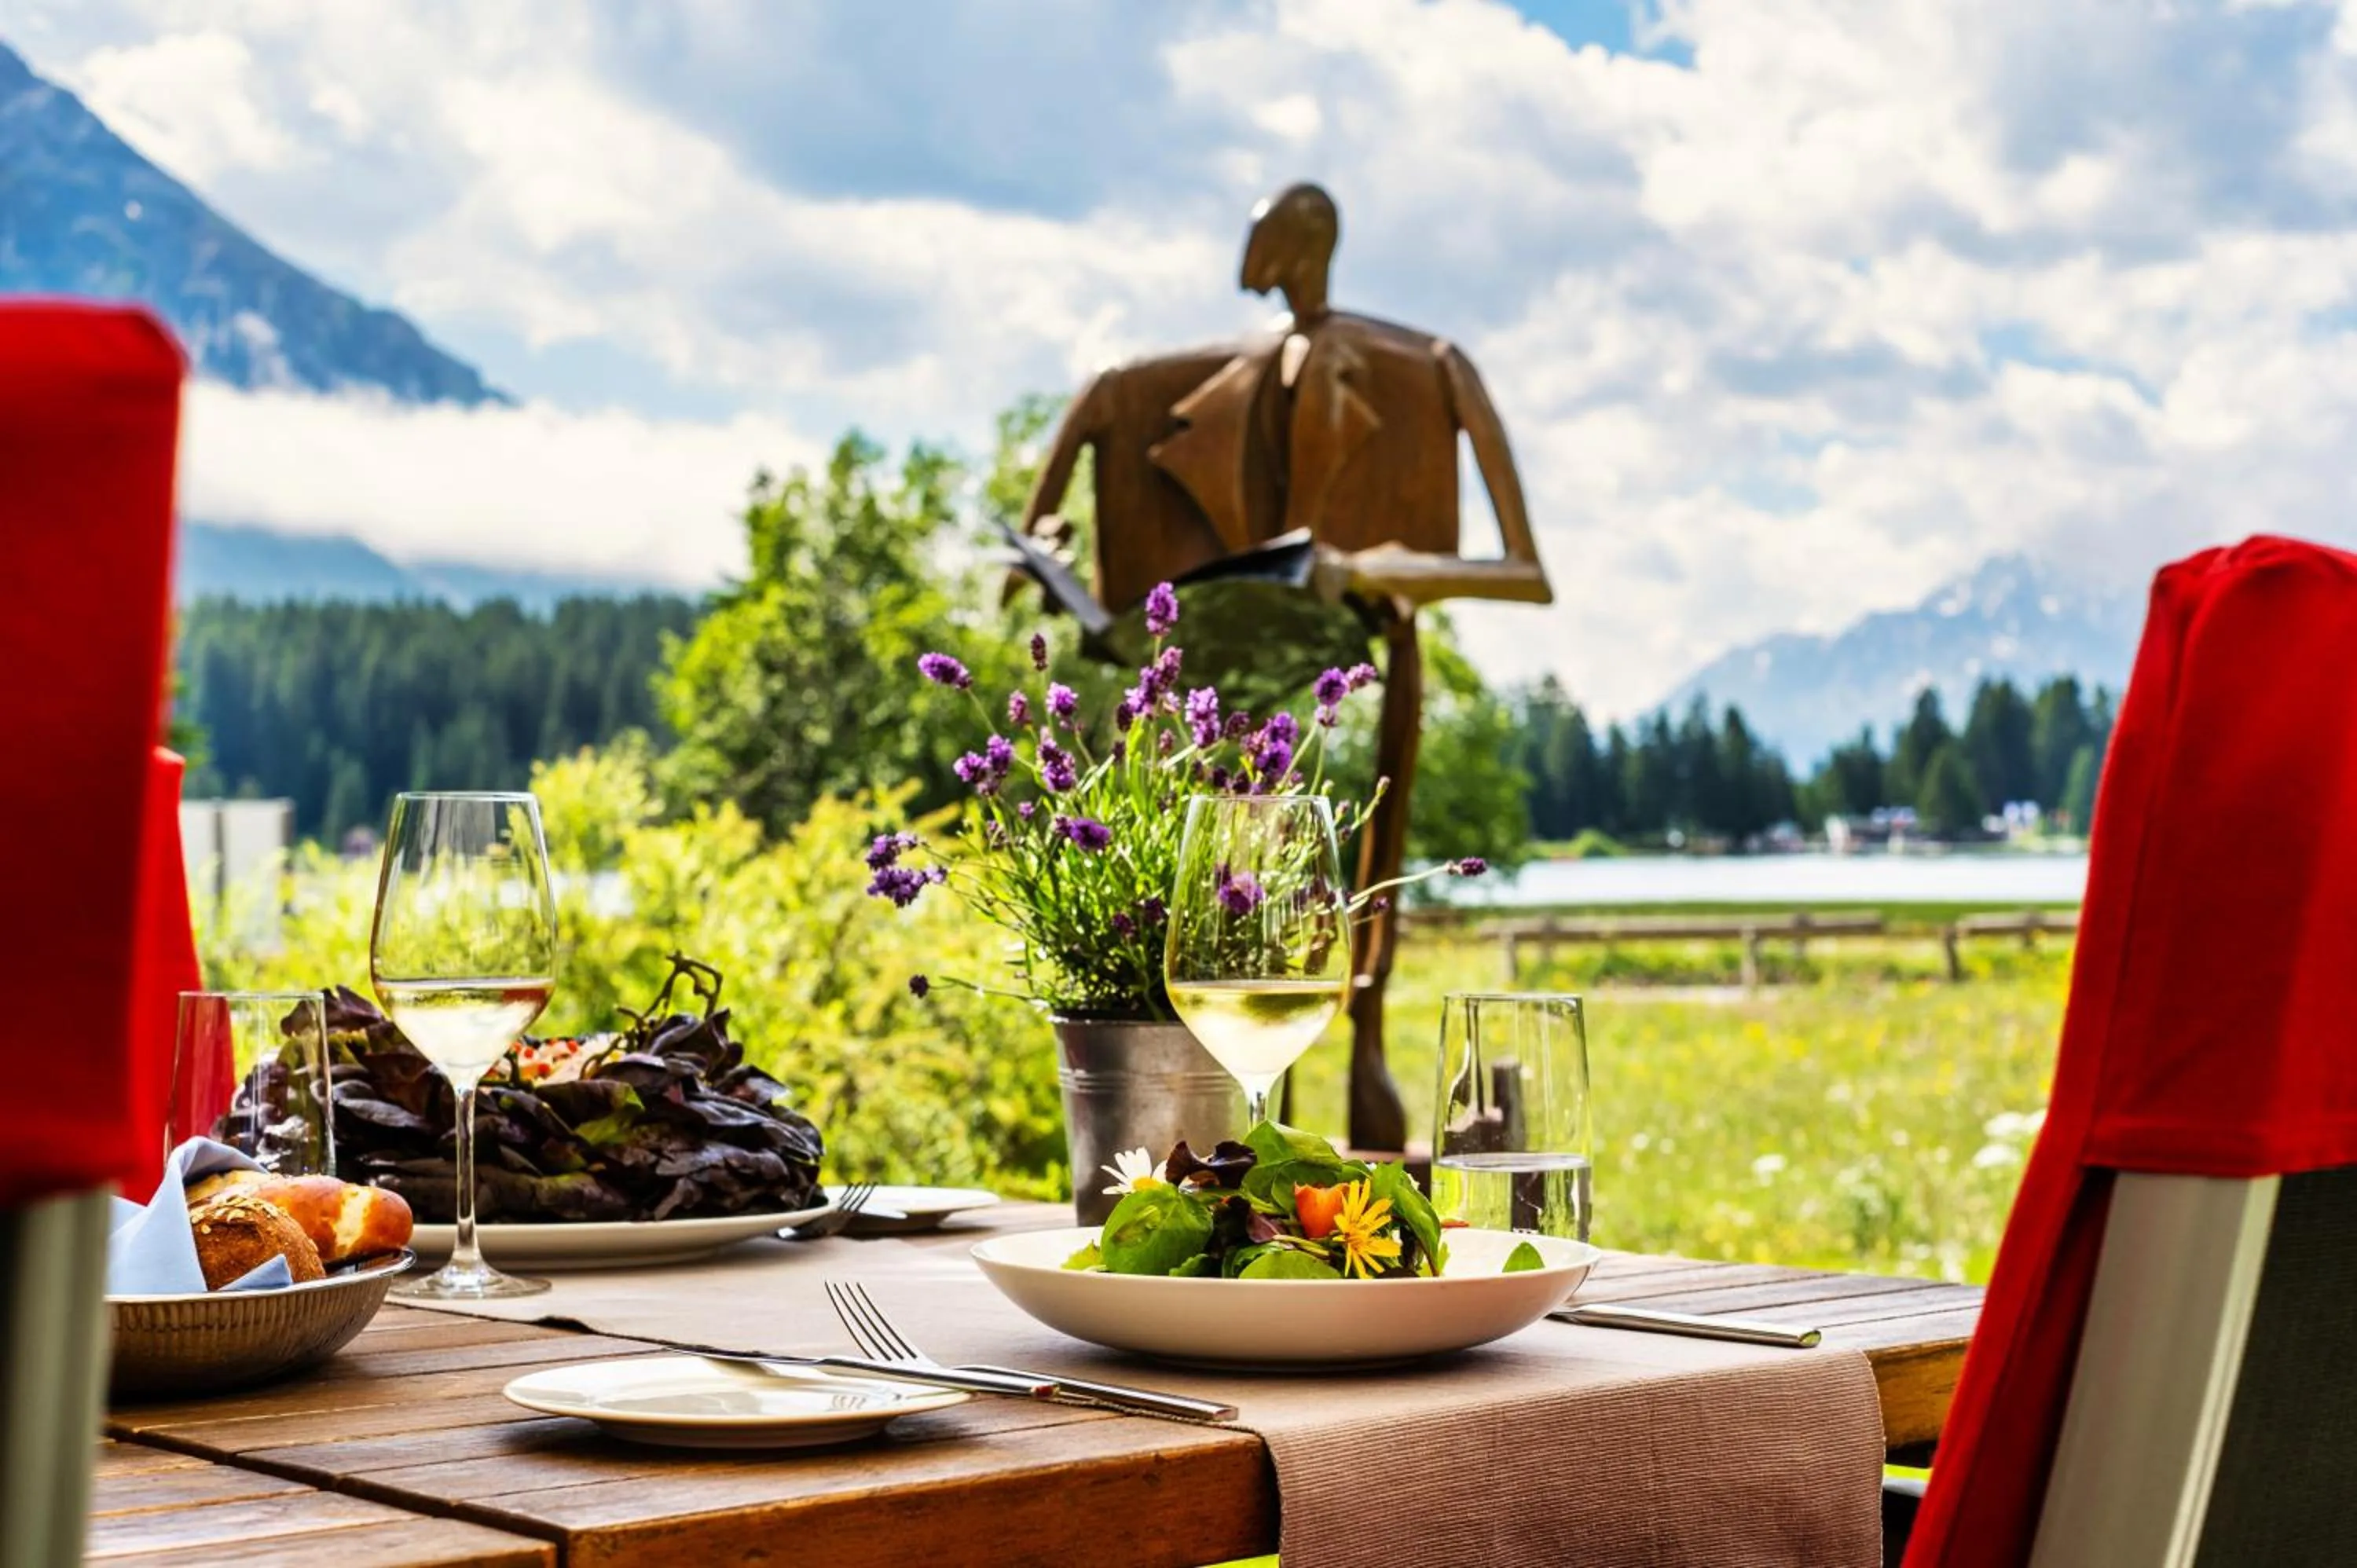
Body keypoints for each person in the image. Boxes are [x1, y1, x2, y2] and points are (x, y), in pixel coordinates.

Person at [1020, 182, 1553, 1151]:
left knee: (1357, 886)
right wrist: (1044, 525)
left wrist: (1373, 569)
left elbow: (1527, 572)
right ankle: (1266, 1138)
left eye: (1269, 244)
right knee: (1238, 906)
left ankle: (1365, 1068)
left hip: (1367, 673)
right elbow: (1102, 395)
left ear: (1302, 247)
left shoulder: (1426, 367)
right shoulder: (1222, 374)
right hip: (1251, 689)